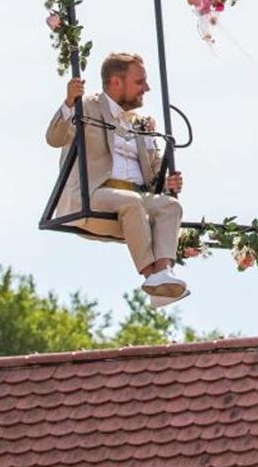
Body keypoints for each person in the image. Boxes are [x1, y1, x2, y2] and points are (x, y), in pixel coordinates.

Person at [46, 52, 189, 307]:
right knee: (132, 202)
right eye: (139, 82)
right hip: (92, 199)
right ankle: (151, 275)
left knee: (171, 206)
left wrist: (167, 183)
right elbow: (54, 139)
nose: (146, 88)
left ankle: (164, 274)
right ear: (115, 82)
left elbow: (154, 171)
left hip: (132, 205)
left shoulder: (142, 124)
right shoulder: (86, 107)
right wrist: (69, 101)